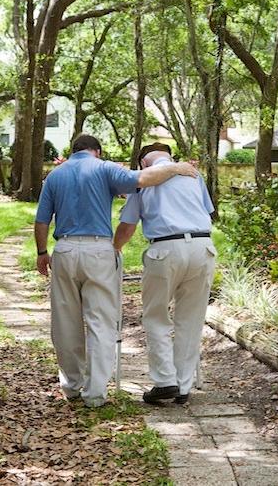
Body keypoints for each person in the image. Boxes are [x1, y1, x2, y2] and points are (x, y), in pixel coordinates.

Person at [35, 135, 199, 408]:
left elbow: (41, 220)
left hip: (63, 250)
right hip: (98, 250)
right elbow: (143, 179)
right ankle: (96, 394)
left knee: (64, 321)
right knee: (100, 321)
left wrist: (42, 252)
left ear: (72, 151)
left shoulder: (55, 176)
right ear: (96, 151)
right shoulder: (104, 167)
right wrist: (175, 167)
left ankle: (71, 386)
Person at [112, 143, 216, 405]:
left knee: (156, 315)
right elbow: (208, 212)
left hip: (165, 248)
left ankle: (165, 381)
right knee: (191, 319)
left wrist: (113, 250)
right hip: (203, 247)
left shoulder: (143, 180)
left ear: (143, 163)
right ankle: (183, 385)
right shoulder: (193, 174)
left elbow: (127, 227)